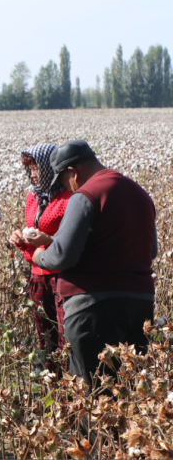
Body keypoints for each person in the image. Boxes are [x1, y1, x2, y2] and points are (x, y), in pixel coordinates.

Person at [33, 140, 158, 389]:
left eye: (64, 181)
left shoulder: (85, 195)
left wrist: (39, 256)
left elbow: (63, 255)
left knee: (92, 392)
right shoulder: (139, 193)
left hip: (93, 308)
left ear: (73, 172)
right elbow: (151, 251)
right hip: (140, 305)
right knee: (131, 391)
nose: (67, 187)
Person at [8, 143, 73, 372]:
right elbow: (33, 232)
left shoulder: (69, 197)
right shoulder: (33, 197)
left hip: (62, 276)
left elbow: (71, 239)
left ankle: (69, 386)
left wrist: (46, 241)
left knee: (66, 338)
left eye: (37, 168)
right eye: (30, 169)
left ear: (51, 167)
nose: (33, 174)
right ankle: (50, 383)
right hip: (38, 276)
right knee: (45, 337)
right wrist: (20, 239)